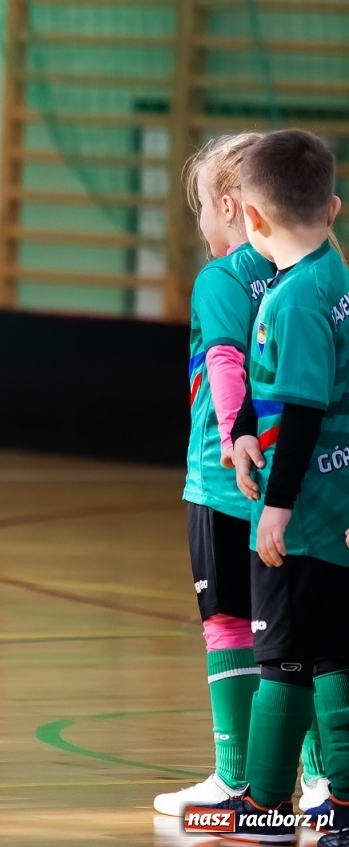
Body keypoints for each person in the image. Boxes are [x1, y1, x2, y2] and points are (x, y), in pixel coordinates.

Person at [154, 133, 329, 817]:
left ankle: (235, 774)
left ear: (231, 208)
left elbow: (224, 360)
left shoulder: (222, 279)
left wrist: (234, 437)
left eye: (199, 205)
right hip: (297, 482)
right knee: (293, 633)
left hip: (226, 481)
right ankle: (314, 776)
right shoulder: (308, 270)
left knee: (227, 623)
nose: (199, 221)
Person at [212, 129, 349, 841]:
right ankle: (343, 803)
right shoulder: (333, 274)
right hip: (336, 494)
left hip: (306, 504)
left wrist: (276, 510)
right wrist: (240, 433)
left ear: (253, 220)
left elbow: (301, 410)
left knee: (285, 652)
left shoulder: (294, 300)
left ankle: (265, 801)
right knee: (329, 645)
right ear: (331, 207)